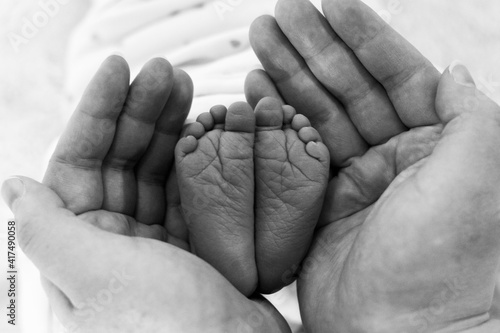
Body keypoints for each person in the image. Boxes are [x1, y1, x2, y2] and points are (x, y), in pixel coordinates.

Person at [2, 1, 500, 332]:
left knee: (103, 141)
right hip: (318, 153)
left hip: (155, 100)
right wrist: (430, 319)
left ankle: (197, 276)